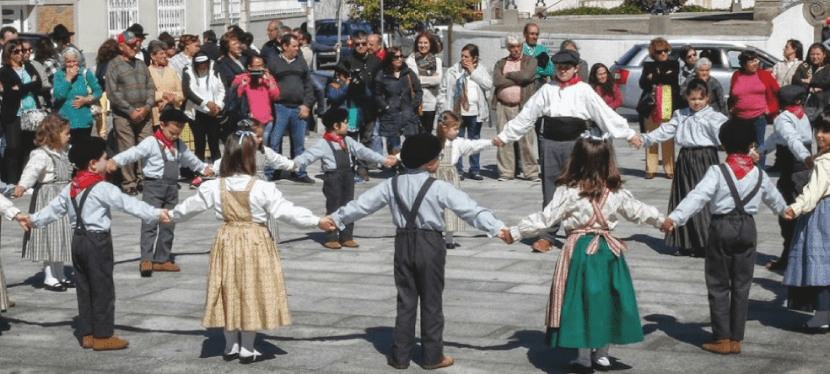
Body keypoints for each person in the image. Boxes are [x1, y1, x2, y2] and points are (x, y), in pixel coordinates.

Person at [323, 134, 508, 370]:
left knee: (406, 299)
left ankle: (400, 356)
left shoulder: (390, 184)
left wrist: (335, 219)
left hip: (402, 243)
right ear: (432, 163)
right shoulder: (439, 187)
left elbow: (361, 205)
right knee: (431, 300)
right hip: (430, 244)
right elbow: (470, 209)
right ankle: (432, 356)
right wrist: (498, 228)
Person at [502, 135, 665, 373]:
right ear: (608, 160)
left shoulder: (568, 190)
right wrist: (661, 220)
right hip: (608, 252)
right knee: (609, 300)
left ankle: (583, 357)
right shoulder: (615, 191)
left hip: (580, 251)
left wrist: (516, 232)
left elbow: (546, 218)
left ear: (576, 159)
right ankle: (602, 354)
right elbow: (637, 210)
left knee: (581, 301)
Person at [169, 129, 323, 363]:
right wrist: (316, 220)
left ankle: (230, 346)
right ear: (251, 157)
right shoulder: (263, 188)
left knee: (228, 288)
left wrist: (168, 215)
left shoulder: (215, 186)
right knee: (251, 290)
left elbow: (188, 208)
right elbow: (287, 212)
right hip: (255, 241)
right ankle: (247, 349)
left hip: (227, 239)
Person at [26, 136, 170, 351]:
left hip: (78, 241)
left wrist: (31, 220)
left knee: (84, 288)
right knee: (102, 287)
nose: (108, 161)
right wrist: (157, 213)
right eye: (105, 158)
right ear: (93, 163)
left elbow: (51, 211)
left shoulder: (71, 187)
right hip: (98, 242)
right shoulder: (103, 188)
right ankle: (103, 336)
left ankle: (88, 333)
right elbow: (129, 205)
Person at [493, 49, 641, 254]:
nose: (562, 71)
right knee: (550, 188)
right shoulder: (547, 90)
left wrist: (628, 134)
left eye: (567, 68)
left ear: (576, 69)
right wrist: (505, 136)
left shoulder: (584, 90)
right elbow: (527, 115)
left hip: (577, 145)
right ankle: (547, 235)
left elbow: (604, 113)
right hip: (550, 143)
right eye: (559, 68)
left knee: (579, 188)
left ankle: (579, 231)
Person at [662, 119, 787, 355]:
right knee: (742, 284)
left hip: (721, 227)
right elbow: (775, 199)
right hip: (748, 227)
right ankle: (736, 338)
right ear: (752, 143)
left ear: (722, 144)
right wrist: (786, 211)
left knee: (719, 284)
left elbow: (697, 197)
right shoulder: (758, 175)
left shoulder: (717, 171)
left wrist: (675, 218)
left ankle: (722, 338)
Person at [108, 108, 213, 276]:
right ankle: (147, 259)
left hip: (172, 188)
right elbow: (133, 153)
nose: (174, 136)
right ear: (162, 125)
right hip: (153, 187)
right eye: (172, 132)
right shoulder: (151, 142)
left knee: (169, 223)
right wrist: (115, 161)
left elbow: (190, 159)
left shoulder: (179, 145)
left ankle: (162, 258)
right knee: (150, 222)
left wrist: (203, 168)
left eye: (178, 133)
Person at [638, 79, 728, 258]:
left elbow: (728, 134)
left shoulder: (715, 117)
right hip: (686, 158)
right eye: (692, 98)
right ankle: (686, 242)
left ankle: (705, 243)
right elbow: (664, 131)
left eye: (700, 99)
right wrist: (643, 139)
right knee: (684, 197)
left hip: (706, 159)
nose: (696, 102)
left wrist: (746, 151)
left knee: (704, 200)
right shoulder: (681, 115)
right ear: (687, 97)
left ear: (707, 98)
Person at [294, 108, 396, 249]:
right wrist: (292, 164)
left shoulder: (347, 141)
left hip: (348, 176)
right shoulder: (323, 144)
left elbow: (363, 152)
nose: (348, 125)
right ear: (336, 126)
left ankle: (346, 236)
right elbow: (307, 156)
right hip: (332, 178)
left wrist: (382, 160)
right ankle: (331, 236)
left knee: (349, 207)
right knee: (334, 207)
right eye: (346, 123)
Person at [754, 85, 813, 271]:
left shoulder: (784, 118)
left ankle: (791, 258)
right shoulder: (801, 114)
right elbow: (778, 137)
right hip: (799, 171)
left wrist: (804, 157)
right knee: (797, 213)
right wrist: (761, 151)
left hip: (794, 172)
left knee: (789, 215)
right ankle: (793, 256)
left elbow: (791, 138)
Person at [781, 111, 830, 333]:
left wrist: (795, 208)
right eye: (818, 130)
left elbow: (813, 193)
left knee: (819, 263)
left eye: (826, 131)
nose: (820, 135)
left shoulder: (824, 162)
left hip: (822, 215)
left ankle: (822, 314)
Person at [13, 114, 73, 291]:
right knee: (50, 236)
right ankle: (49, 276)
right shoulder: (41, 154)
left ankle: (60, 273)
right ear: (54, 134)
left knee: (61, 236)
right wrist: (23, 186)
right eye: (66, 133)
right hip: (48, 197)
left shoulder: (64, 151)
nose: (69, 136)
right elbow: (31, 171)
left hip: (63, 197)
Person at [211, 119, 295, 243]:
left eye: (260, 136)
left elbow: (277, 160)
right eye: (256, 137)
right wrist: (211, 169)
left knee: (267, 212)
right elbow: (224, 161)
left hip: (260, 185)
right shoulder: (237, 152)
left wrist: (291, 165)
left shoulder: (264, 151)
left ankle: (270, 238)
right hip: (243, 186)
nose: (259, 139)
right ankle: (243, 239)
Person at [429, 111, 496, 248]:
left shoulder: (458, 143)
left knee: (450, 208)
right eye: (455, 129)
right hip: (435, 178)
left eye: (458, 128)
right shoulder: (433, 142)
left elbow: (473, 145)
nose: (458, 131)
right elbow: (415, 151)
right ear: (444, 128)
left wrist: (490, 142)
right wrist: (398, 158)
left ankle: (449, 239)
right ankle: (433, 235)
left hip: (450, 178)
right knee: (434, 207)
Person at [105, 30, 156, 195]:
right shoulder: (113, 65)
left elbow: (150, 87)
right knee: (127, 149)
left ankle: (144, 180)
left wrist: (147, 106)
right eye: (130, 44)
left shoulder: (141, 64)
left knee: (146, 148)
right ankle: (129, 183)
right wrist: (130, 110)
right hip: (123, 116)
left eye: (136, 44)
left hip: (144, 114)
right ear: (121, 46)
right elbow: (113, 94)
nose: (135, 47)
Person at [265, 34, 314, 184]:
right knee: (275, 141)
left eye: (298, 46)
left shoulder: (301, 62)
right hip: (280, 107)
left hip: (299, 109)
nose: (297, 49)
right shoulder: (273, 63)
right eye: (294, 46)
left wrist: (306, 105)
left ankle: (300, 172)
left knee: (299, 144)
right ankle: (271, 172)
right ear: (284, 46)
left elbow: (308, 86)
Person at [437, 44, 491, 180]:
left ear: (474, 58)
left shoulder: (481, 70)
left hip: (474, 111)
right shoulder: (453, 70)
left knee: (474, 140)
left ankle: (475, 169)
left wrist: (473, 72)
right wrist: (443, 108)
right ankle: (458, 169)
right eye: (462, 56)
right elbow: (443, 90)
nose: (463, 59)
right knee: (456, 140)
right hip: (457, 112)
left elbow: (488, 84)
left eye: (466, 56)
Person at [492, 34, 539, 182]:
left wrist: (509, 75)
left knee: (526, 140)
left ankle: (531, 172)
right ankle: (506, 172)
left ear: (522, 46)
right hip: (503, 106)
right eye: (512, 47)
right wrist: (516, 80)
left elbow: (526, 76)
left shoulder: (530, 61)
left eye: (518, 46)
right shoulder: (500, 63)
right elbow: (497, 81)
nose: (515, 49)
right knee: (504, 139)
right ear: (508, 48)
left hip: (524, 107)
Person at [341, 30, 383, 181]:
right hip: (353, 106)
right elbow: (337, 82)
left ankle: (363, 168)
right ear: (353, 43)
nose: (360, 47)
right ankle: (351, 166)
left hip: (370, 107)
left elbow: (381, 84)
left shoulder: (376, 62)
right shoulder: (346, 60)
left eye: (363, 44)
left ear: (368, 44)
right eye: (357, 44)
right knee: (352, 137)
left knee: (367, 138)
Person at [1, 39, 42, 184]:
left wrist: (21, 87)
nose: (21, 54)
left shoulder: (28, 67)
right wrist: (30, 84)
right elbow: (10, 93)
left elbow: (39, 84)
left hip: (31, 113)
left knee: (29, 148)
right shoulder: (4, 71)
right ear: (9, 54)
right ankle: (12, 181)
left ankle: (26, 182)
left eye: (22, 51)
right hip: (15, 114)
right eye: (16, 51)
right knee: (13, 148)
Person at [729, 50, 780, 168]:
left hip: (759, 117)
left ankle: (760, 172)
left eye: (756, 60)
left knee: (759, 146)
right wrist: (732, 108)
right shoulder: (737, 75)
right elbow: (732, 94)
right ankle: (743, 170)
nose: (755, 63)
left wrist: (771, 109)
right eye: (751, 61)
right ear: (744, 63)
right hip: (740, 118)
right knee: (742, 146)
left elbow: (777, 92)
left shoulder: (764, 74)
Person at [639, 37, 679, 180]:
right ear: (653, 53)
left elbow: (672, 79)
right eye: (659, 52)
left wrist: (654, 76)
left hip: (667, 104)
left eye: (665, 51)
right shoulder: (647, 65)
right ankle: (651, 169)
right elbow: (643, 84)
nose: (663, 54)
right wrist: (661, 76)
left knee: (667, 137)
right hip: (651, 105)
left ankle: (670, 169)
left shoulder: (674, 64)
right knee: (651, 136)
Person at [374, 46, 423, 160]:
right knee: (393, 142)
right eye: (396, 57)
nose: (399, 59)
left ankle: (409, 162)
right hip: (391, 113)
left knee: (412, 140)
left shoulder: (408, 73)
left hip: (407, 112)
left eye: (401, 56)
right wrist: (386, 106)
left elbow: (418, 91)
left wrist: (412, 104)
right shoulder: (383, 75)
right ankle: (395, 165)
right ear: (390, 59)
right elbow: (377, 94)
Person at [53, 48, 102, 146]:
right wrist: (68, 78)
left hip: (83, 121)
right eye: (68, 62)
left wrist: (86, 99)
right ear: (64, 63)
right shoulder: (59, 75)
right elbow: (58, 95)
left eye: (74, 61)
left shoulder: (85, 73)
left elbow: (98, 90)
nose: (71, 64)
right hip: (65, 121)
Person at [182, 52, 224, 163]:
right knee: (199, 144)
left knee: (214, 143)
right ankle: (198, 171)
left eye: (204, 64)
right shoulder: (188, 71)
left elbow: (222, 89)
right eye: (199, 65)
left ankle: (218, 170)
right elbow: (188, 91)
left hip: (214, 112)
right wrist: (205, 103)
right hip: (196, 113)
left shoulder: (215, 69)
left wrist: (218, 106)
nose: (202, 67)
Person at [406, 31, 443, 135]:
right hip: (416, 103)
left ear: (431, 44)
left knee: (427, 133)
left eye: (425, 43)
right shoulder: (410, 60)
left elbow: (438, 80)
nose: (423, 45)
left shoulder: (437, 61)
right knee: (416, 134)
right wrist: (430, 79)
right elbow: (410, 80)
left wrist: (418, 79)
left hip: (431, 102)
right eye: (420, 43)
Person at [232, 53, 279, 129]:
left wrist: (269, 81)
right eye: (256, 67)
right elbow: (236, 97)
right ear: (249, 67)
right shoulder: (242, 78)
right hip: (250, 121)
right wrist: (243, 84)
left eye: (261, 66)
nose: (259, 69)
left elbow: (275, 96)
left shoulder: (267, 78)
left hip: (267, 120)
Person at [146, 40, 184, 128]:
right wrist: (162, 95)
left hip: (173, 117)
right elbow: (146, 93)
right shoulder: (147, 72)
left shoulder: (172, 72)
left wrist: (168, 100)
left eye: (165, 53)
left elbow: (181, 94)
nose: (164, 56)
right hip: (155, 117)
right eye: (161, 53)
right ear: (153, 56)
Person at [792, 43, 830, 119]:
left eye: (818, 54)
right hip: (806, 105)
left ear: (824, 54)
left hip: (824, 105)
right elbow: (796, 80)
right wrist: (812, 88)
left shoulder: (828, 68)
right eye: (812, 54)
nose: (815, 57)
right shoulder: (804, 67)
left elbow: (826, 81)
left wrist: (810, 81)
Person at [31, 37, 61, 104]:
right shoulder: (50, 63)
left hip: (41, 98)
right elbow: (57, 82)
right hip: (51, 99)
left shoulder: (35, 63)